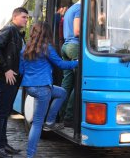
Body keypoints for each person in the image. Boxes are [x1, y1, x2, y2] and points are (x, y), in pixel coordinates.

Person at [19, 22, 78, 158]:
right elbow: (61, 64)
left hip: (30, 88)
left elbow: (21, 70)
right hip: (43, 88)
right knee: (37, 123)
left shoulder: (24, 49)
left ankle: (50, 121)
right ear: (46, 33)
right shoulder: (47, 48)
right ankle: (30, 155)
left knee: (62, 92)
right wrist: (77, 62)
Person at [0, 7, 28, 158]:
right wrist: (6, 69)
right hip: (7, 78)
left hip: (14, 79)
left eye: (27, 17)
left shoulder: (18, 34)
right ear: (15, 17)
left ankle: (3, 144)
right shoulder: (9, 30)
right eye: (24, 17)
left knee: (5, 112)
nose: (26, 20)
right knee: (1, 113)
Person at [59, 0, 80, 127]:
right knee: (79, 83)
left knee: (66, 83)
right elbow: (77, 31)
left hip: (66, 47)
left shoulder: (70, 9)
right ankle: (69, 117)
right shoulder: (79, 8)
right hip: (75, 47)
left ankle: (61, 114)